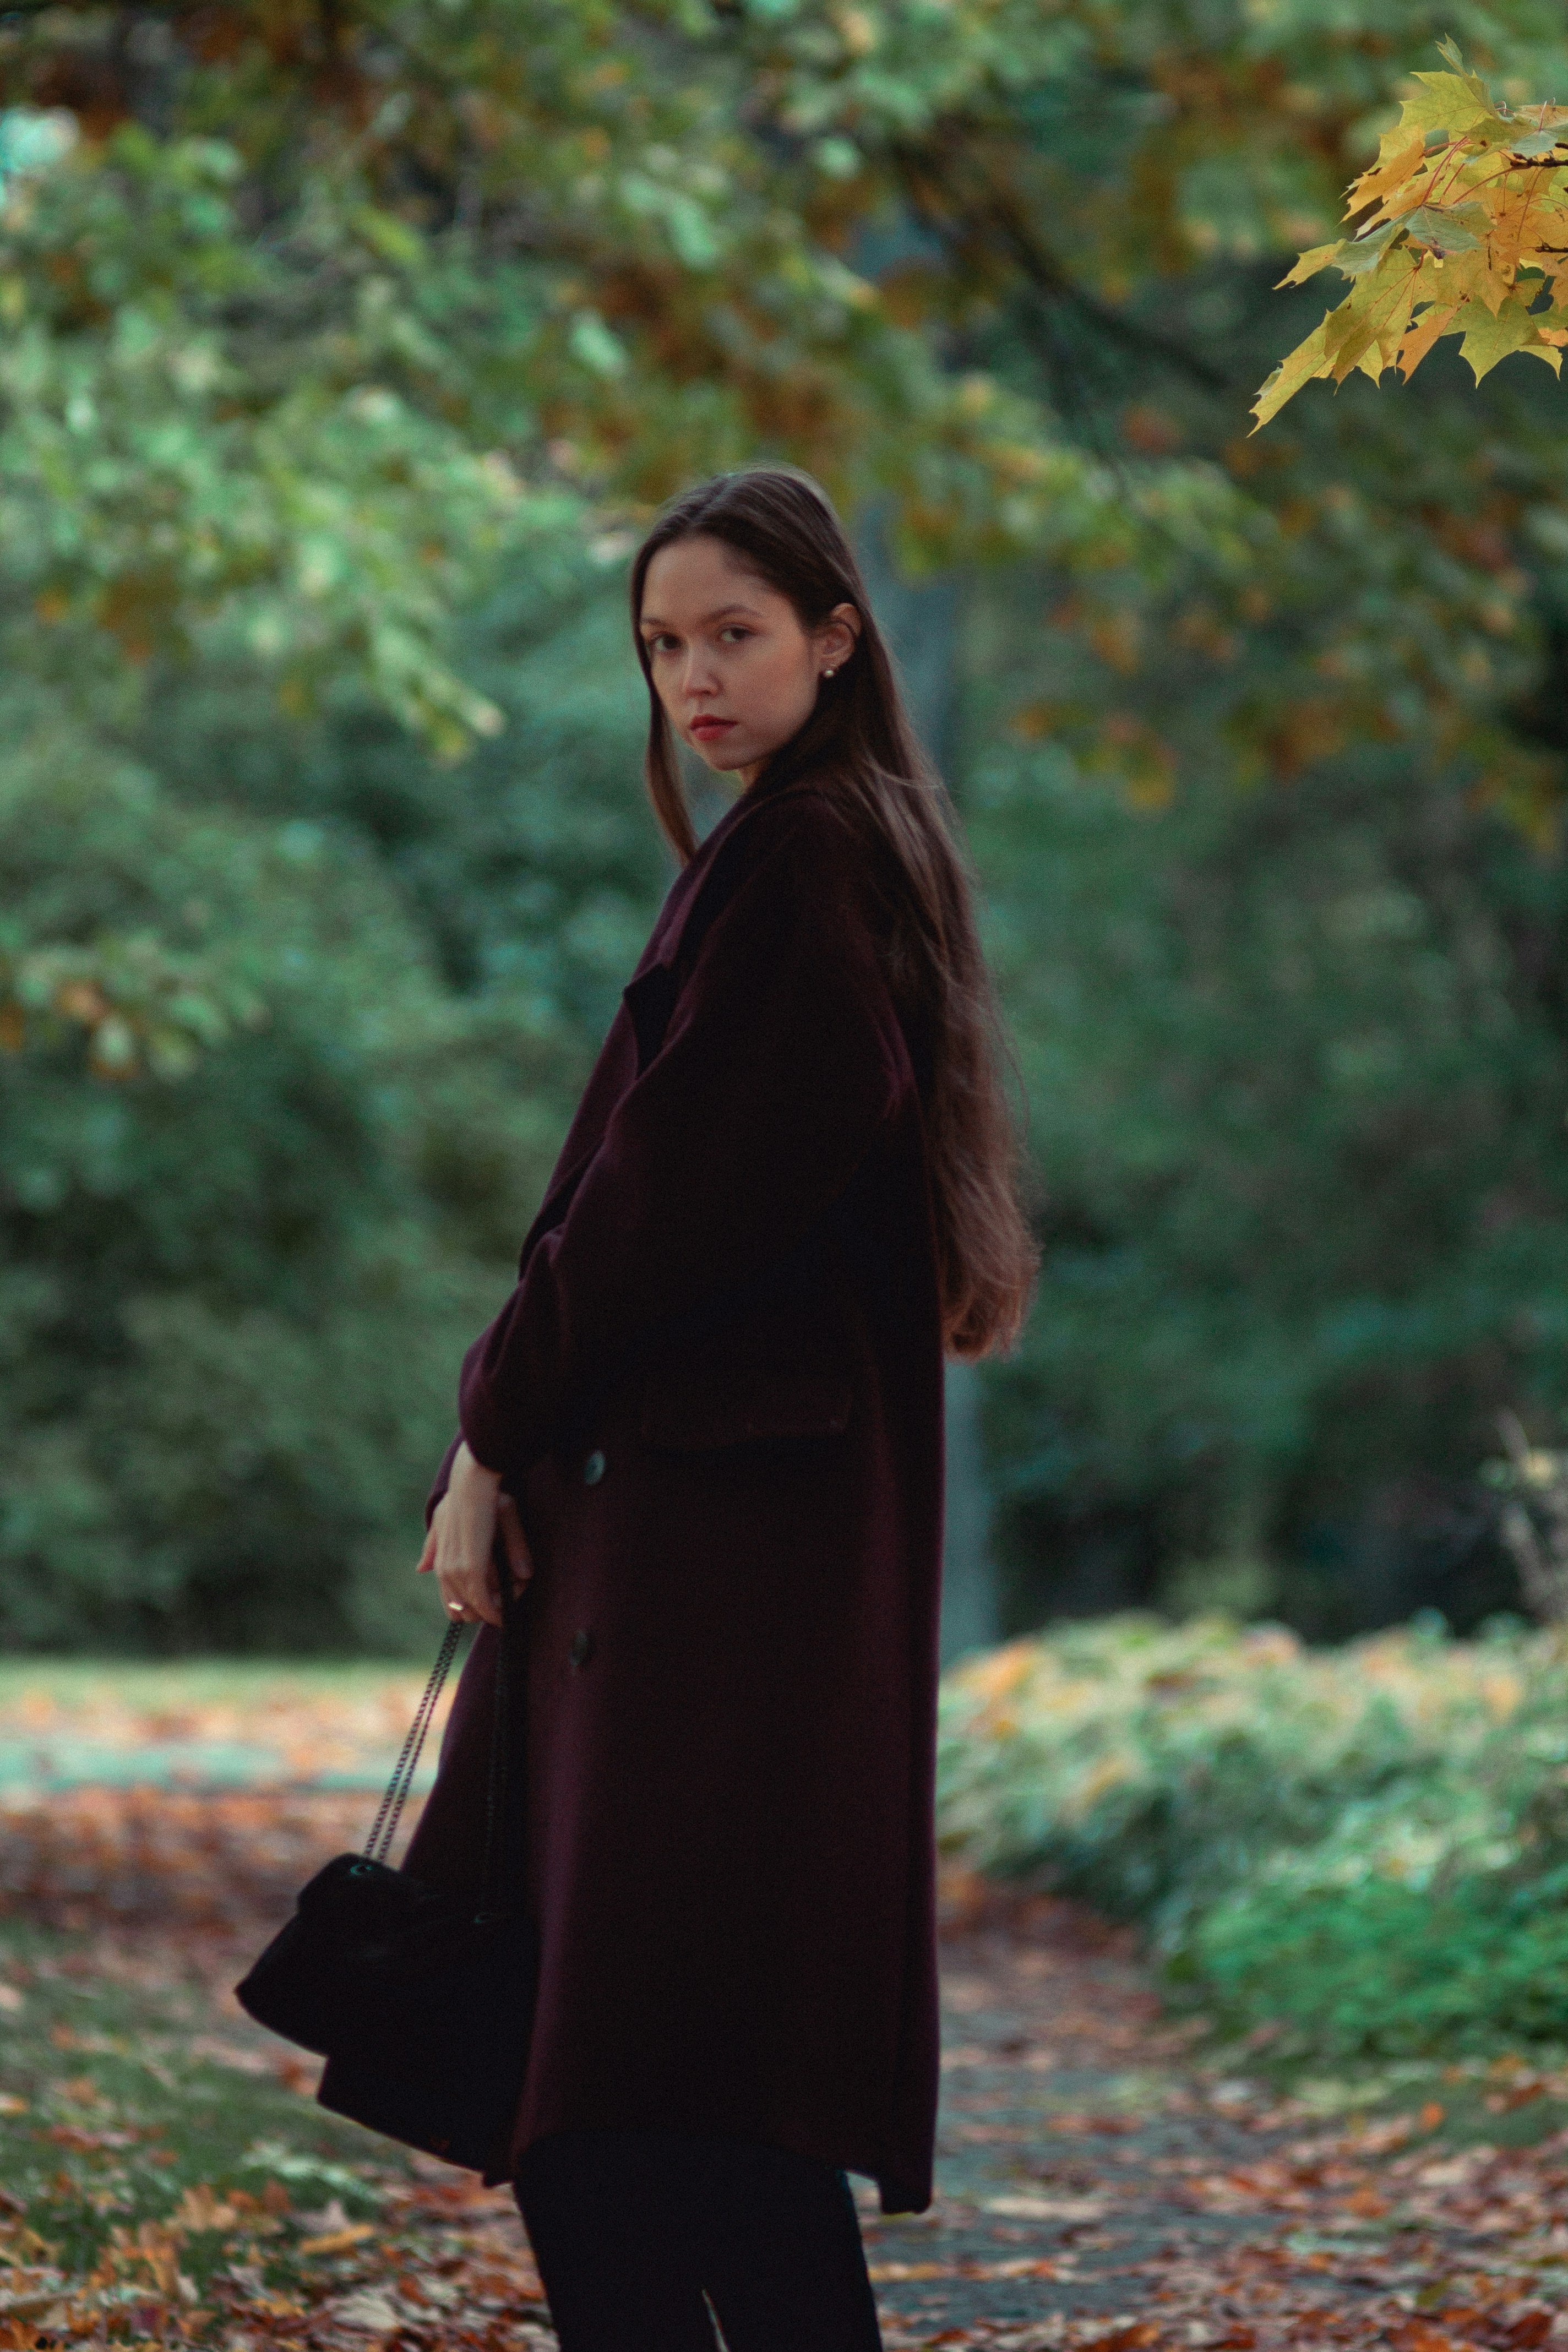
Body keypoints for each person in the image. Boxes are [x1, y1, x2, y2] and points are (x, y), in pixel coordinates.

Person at [408, 467, 1037, 2350]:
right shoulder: (813, 847)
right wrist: (499, 1433)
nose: (692, 676)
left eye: (735, 634)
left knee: (653, 2107)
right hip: (709, 1553)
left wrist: (492, 1426)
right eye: (663, 645)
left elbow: (658, 1200)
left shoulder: (814, 857)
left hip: (713, 1576)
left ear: (837, 638)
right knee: (647, 2107)